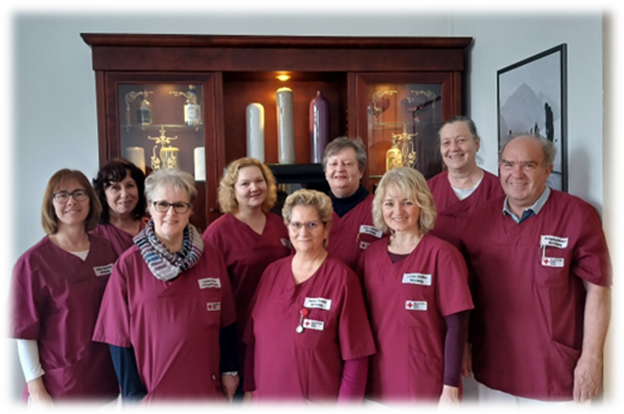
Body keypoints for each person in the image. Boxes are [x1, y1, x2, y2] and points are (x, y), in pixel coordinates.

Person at [461, 135, 613, 412]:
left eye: (528, 165)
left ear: (547, 170)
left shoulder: (576, 215)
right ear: (499, 168)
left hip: (556, 370)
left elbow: (598, 289)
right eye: (508, 164)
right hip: (494, 364)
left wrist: (592, 359)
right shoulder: (480, 219)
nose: (516, 174)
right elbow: (465, 291)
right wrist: (462, 344)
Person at [92, 169, 239, 412]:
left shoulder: (211, 256)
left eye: (180, 205)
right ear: (149, 207)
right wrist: (134, 399)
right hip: (154, 396)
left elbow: (227, 321)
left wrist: (230, 370)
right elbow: (117, 339)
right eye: (162, 204)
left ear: (190, 209)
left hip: (206, 392)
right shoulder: (128, 265)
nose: (171, 213)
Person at [241, 189, 377, 412]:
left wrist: (346, 409)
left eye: (312, 224)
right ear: (288, 228)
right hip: (266, 403)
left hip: (316, 405)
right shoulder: (271, 274)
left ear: (326, 228)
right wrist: (249, 391)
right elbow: (251, 342)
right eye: (296, 225)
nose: (303, 232)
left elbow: (357, 358)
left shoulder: (342, 280)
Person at [2, 169, 119, 412]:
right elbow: (24, 333)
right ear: (51, 203)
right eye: (62, 195)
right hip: (58, 386)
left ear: (90, 200)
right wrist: (36, 390)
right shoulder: (33, 263)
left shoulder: (106, 251)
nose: (71, 201)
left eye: (79, 193)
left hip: (105, 379)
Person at [359, 167, 474, 412]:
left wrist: (450, 389)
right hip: (376, 386)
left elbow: (456, 327)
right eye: (389, 203)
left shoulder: (442, 255)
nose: (397, 211)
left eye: (407, 202)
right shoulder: (370, 256)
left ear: (422, 204)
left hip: (425, 385)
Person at [202, 157, 291, 410]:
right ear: (232, 190)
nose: (254, 188)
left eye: (259, 181)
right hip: (237, 335)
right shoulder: (218, 233)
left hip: (277, 332)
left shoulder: (280, 225)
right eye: (245, 183)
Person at [428, 116, 504, 249]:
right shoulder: (426, 190)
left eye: (461, 140)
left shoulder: (500, 190)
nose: (453, 148)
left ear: (477, 144)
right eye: (446, 143)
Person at [323, 137, 383, 270]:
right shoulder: (314, 211)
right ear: (326, 173)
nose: (339, 169)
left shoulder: (380, 209)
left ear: (360, 172)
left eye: (347, 164)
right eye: (333, 164)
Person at [92, 158, 148, 257]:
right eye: (115, 187)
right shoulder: (94, 234)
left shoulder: (151, 225)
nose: (124, 194)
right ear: (103, 194)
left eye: (130, 185)